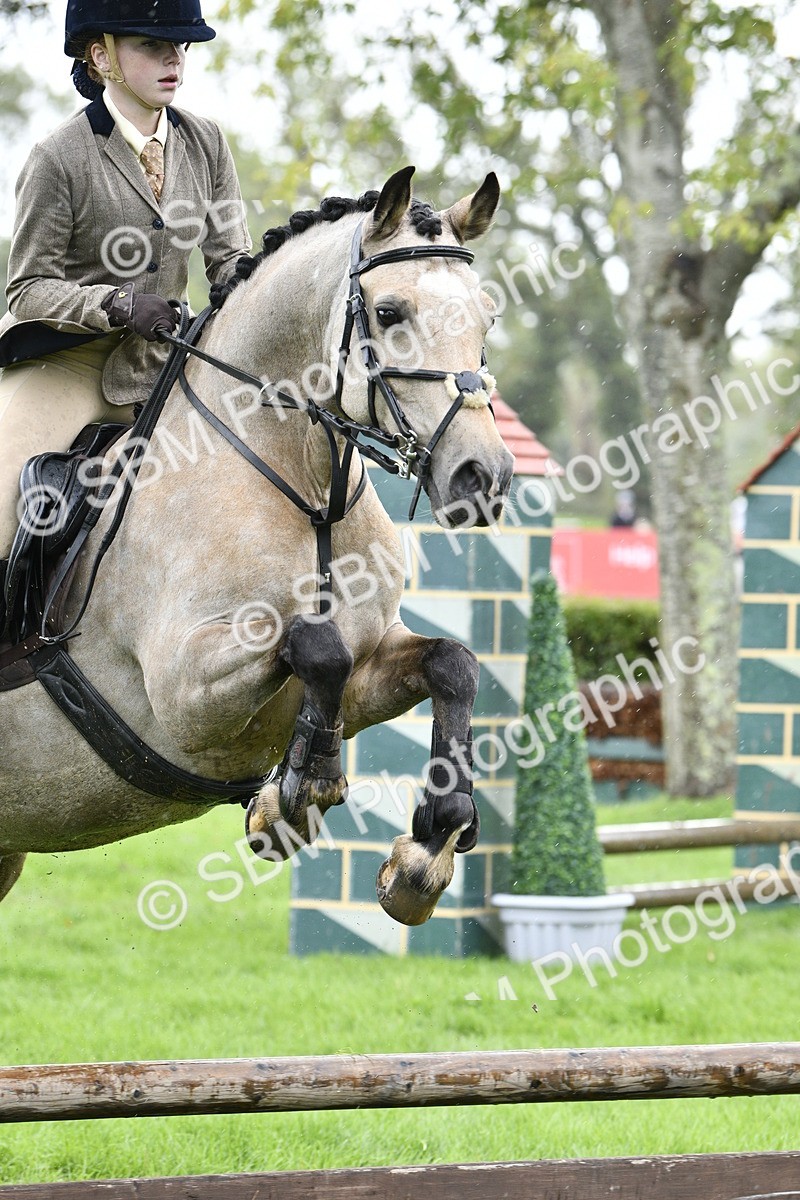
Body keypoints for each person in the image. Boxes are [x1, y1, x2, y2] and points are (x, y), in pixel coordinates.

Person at [0, 0, 251, 579]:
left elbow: (229, 261)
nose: (174, 58)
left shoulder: (207, 142)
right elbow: (27, 289)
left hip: (170, 368)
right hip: (73, 365)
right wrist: (112, 303)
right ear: (101, 56)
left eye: (181, 45)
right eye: (149, 44)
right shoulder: (57, 158)